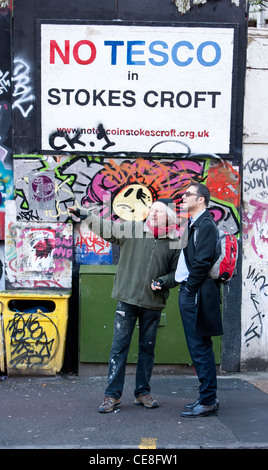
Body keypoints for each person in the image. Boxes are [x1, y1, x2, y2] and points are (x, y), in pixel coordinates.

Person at [68, 198, 180, 413]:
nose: (154, 214)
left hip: (153, 303)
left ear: (169, 216)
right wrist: (86, 215)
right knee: (119, 349)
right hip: (126, 300)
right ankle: (112, 396)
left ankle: (142, 393)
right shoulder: (133, 229)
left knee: (147, 350)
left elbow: (177, 274)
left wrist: (164, 282)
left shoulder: (174, 240)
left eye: (159, 211)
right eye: (152, 210)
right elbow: (107, 228)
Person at [175, 183, 223, 418]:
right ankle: (208, 397)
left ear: (201, 199)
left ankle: (207, 401)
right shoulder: (196, 224)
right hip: (195, 291)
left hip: (196, 293)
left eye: (188, 194)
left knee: (200, 347)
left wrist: (189, 290)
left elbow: (202, 262)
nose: (183, 197)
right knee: (200, 346)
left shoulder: (204, 225)